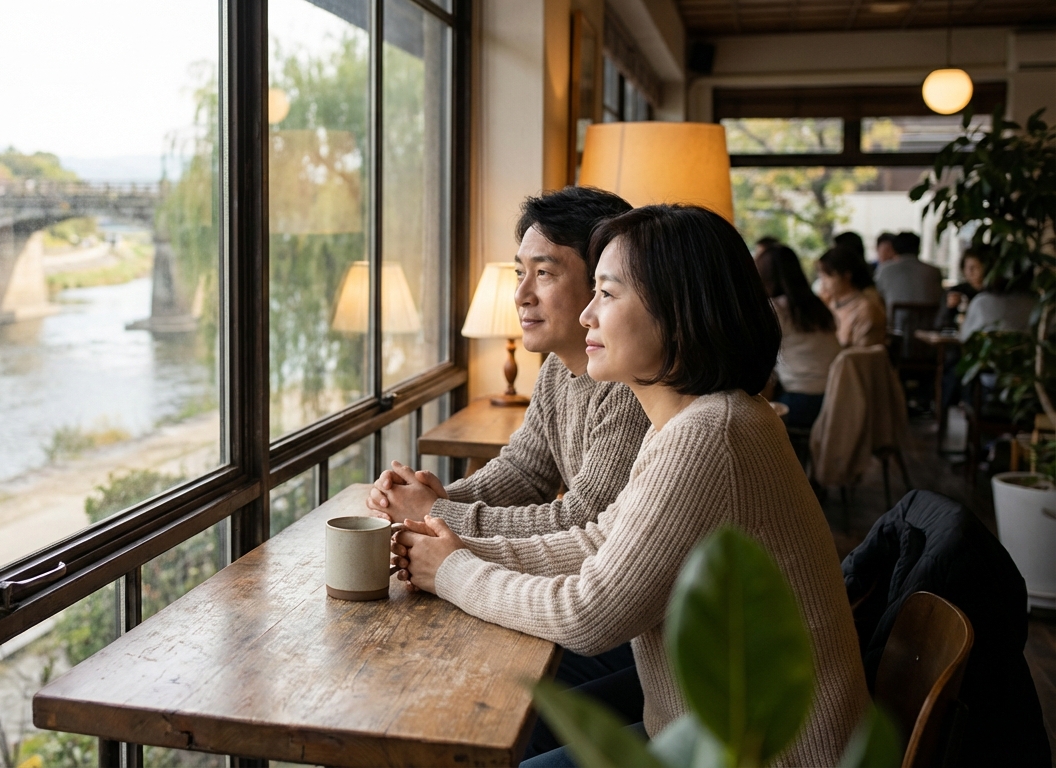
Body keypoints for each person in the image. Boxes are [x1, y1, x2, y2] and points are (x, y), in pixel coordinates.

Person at [390, 204, 870, 767]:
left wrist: (451, 569)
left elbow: (589, 615)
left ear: (679, 313)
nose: (589, 315)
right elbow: (597, 545)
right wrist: (449, 546)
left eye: (608, 295)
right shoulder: (696, 421)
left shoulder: (710, 434)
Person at [366, 185, 652, 690]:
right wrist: (437, 497)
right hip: (623, 623)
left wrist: (434, 516)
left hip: (640, 636)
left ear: (602, 283)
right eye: (521, 272)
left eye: (543, 273)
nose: (521, 293)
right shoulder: (558, 370)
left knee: (473, 679)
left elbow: (583, 521)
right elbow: (524, 469)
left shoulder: (631, 388)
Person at [756, 244, 839, 429]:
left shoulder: (775, 309)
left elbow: (757, 363)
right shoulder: (817, 306)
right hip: (836, 400)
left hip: (802, 402)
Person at [817, 246, 887, 347]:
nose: (823, 283)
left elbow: (861, 355)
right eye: (821, 277)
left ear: (846, 275)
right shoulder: (831, 303)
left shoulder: (865, 308)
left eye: (828, 276)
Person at [874, 230, 944, 314]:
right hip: (929, 325)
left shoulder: (884, 270)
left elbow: (876, 299)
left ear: (895, 249)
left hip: (893, 325)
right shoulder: (934, 271)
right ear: (918, 248)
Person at [937, 249, 984, 331]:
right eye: (966, 267)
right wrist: (949, 307)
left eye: (975, 267)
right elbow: (940, 324)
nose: (970, 272)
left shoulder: (991, 293)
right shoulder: (956, 291)